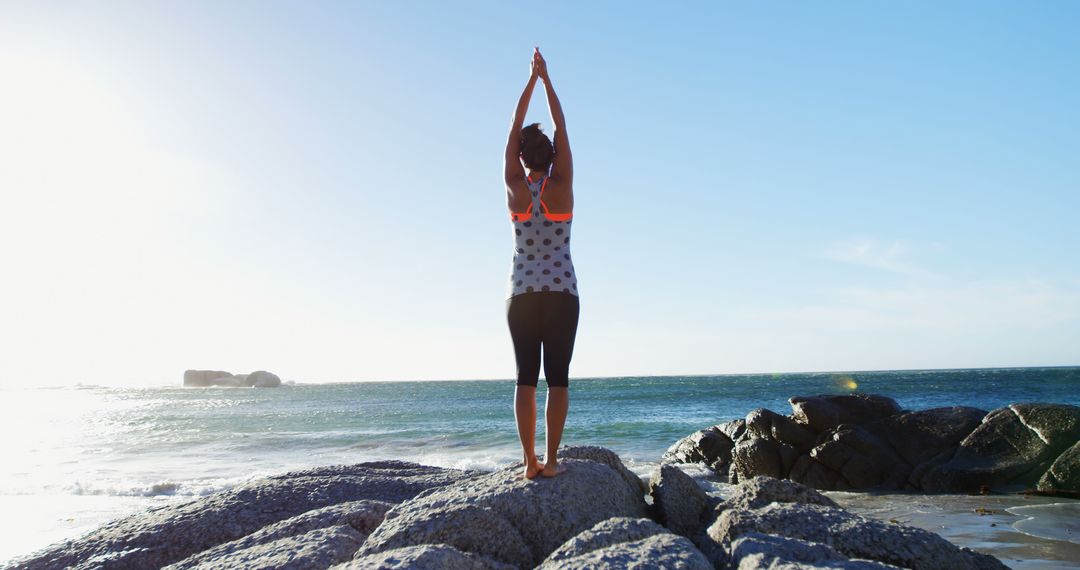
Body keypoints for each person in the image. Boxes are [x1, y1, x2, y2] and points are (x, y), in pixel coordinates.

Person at [504, 48, 579, 480]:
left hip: (522, 294)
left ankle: (529, 463)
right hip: (563, 293)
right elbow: (562, 127)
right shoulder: (563, 186)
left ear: (520, 156)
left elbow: (513, 128)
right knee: (559, 378)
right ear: (551, 157)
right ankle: (551, 461)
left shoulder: (514, 187)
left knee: (525, 379)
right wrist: (547, 80)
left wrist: (529, 81)